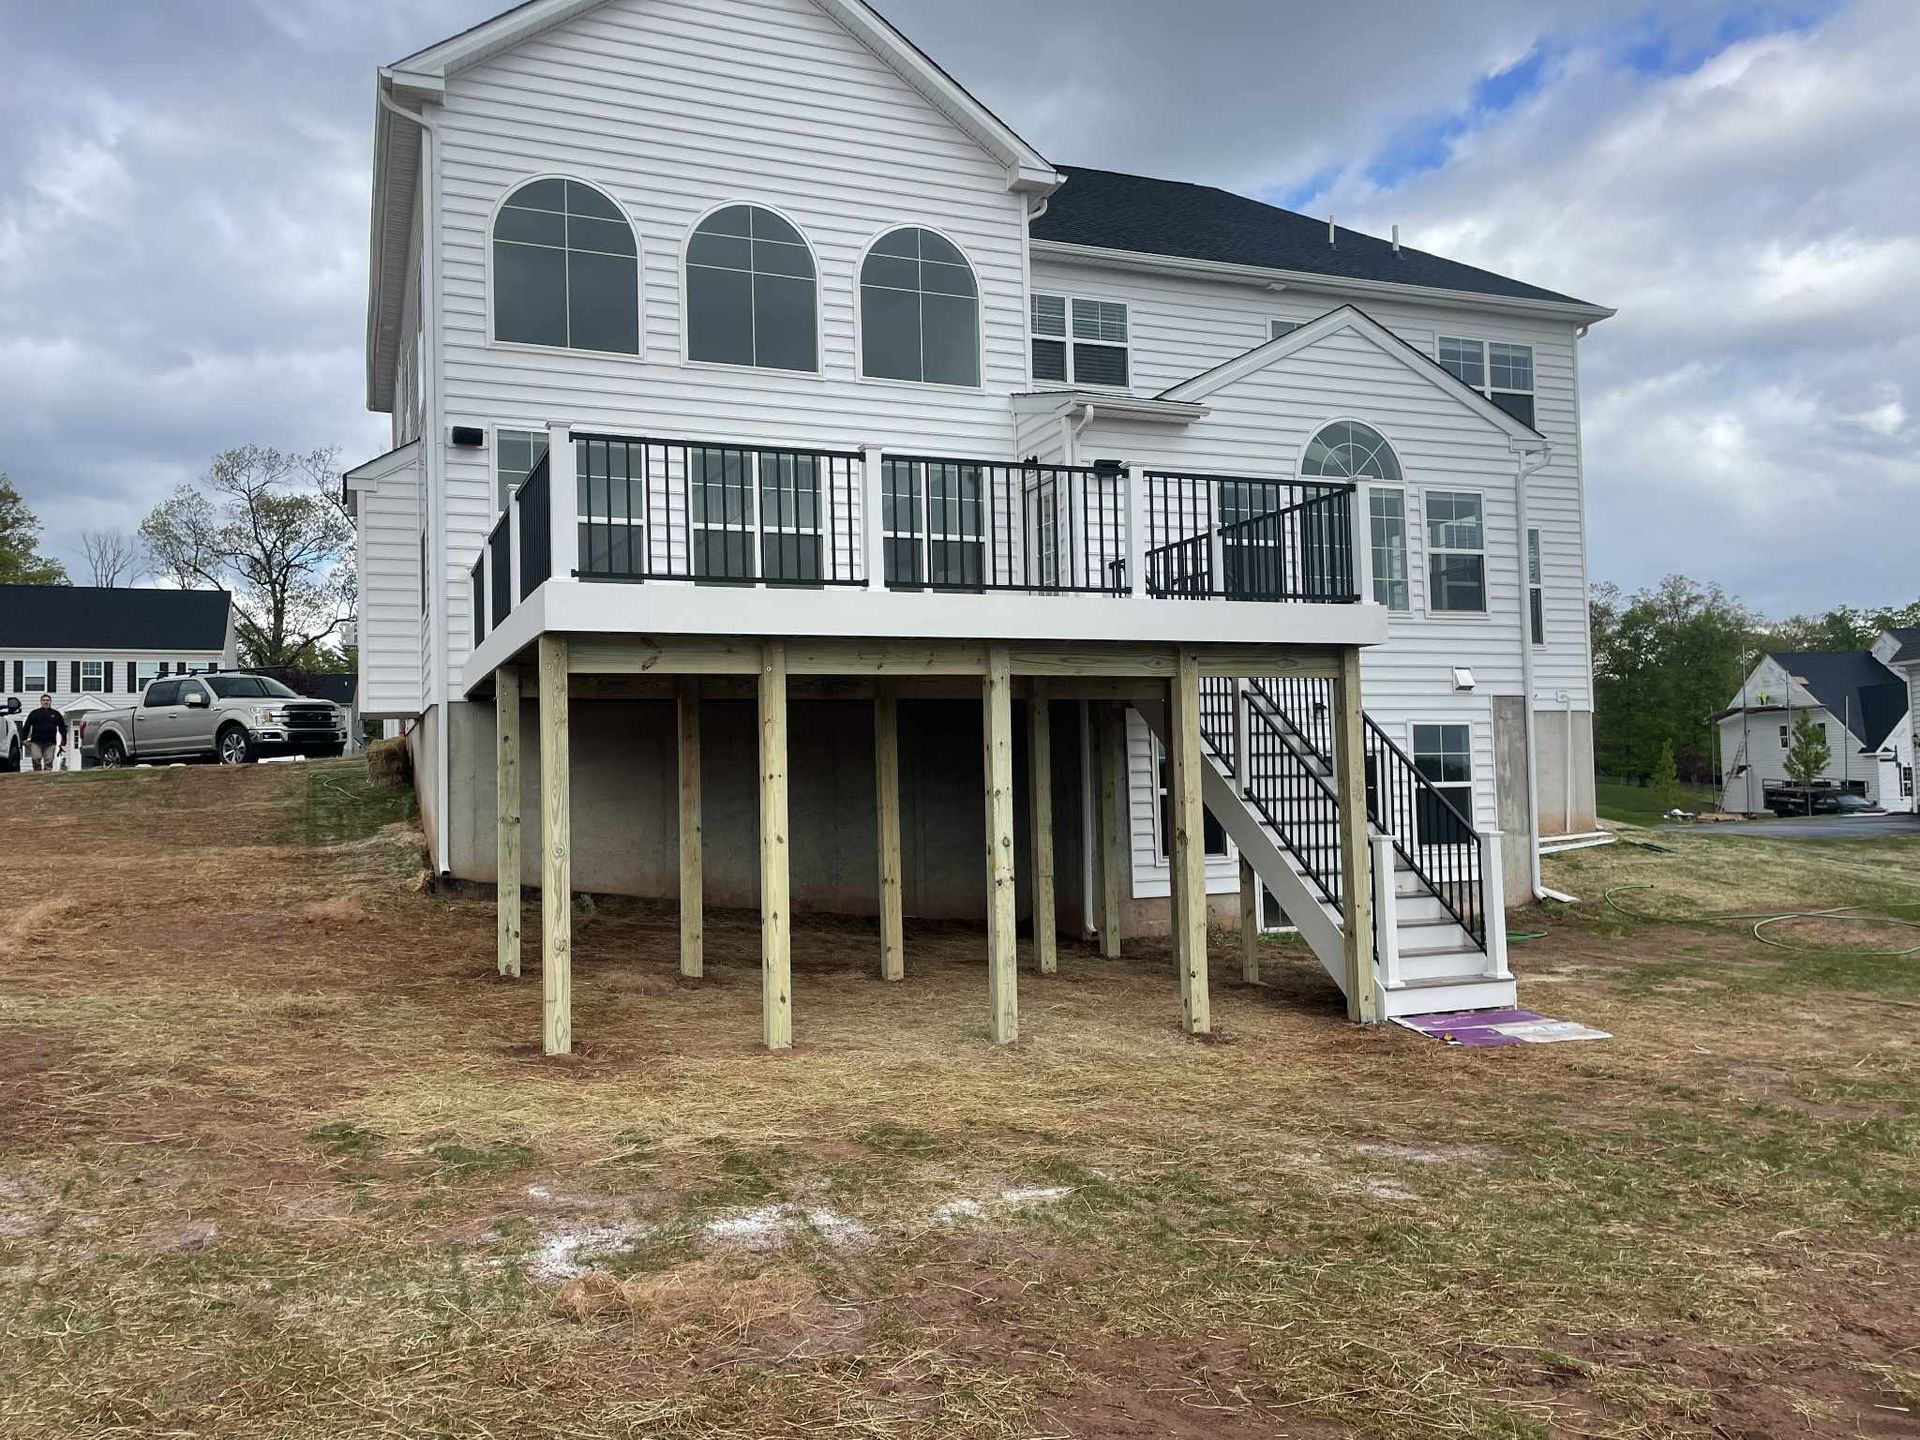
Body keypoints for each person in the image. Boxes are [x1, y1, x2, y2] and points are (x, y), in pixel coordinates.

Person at [21, 694, 67, 773]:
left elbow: (62, 727)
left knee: (48, 761)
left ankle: (47, 776)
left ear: (50, 702)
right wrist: (23, 738)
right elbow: (27, 726)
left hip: (50, 742)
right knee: (36, 758)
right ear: (41, 702)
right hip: (36, 742)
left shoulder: (56, 714)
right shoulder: (34, 713)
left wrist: (64, 738)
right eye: (44, 700)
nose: (46, 702)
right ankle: (37, 773)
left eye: (47, 700)